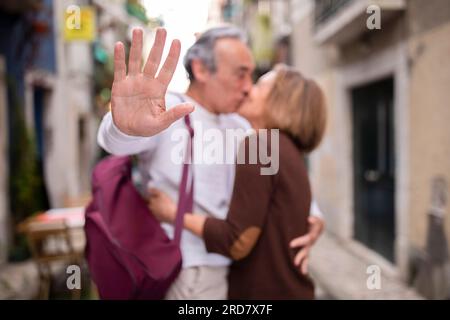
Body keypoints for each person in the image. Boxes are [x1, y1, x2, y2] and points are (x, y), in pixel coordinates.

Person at [97, 26, 324, 299]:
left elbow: (274, 184)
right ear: (202, 70)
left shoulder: (242, 124)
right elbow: (115, 143)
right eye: (240, 74)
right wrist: (124, 127)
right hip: (188, 267)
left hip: (233, 267)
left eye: (252, 76)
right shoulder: (164, 109)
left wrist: (313, 217)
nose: (248, 86)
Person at [149, 65, 327, 299]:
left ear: (281, 101)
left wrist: (173, 213)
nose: (248, 90)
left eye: (260, 85)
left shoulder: (260, 146)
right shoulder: (286, 149)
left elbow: (236, 242)